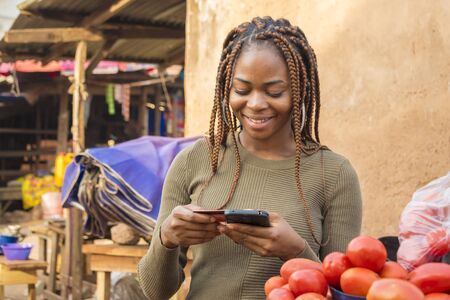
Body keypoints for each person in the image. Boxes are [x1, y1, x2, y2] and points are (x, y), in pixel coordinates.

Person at [138, 16, 362, 300]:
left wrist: (294, 252)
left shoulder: (334, 174)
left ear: (300, 90)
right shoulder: (194, 161)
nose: (255, 104)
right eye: (242, 90)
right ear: (226, 88)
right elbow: (154, 291)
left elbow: (344, 293)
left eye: (274, 92)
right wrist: (166, 239)